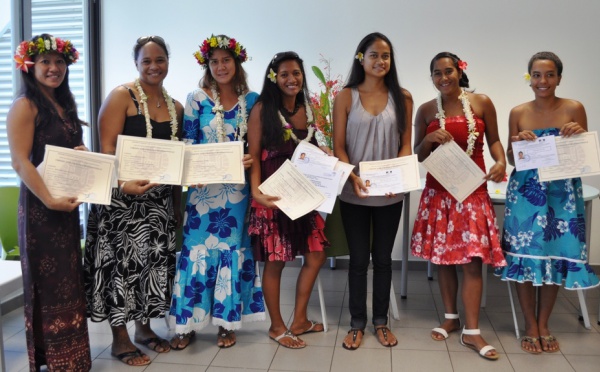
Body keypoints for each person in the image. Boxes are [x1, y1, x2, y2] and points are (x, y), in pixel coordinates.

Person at [83, 36, 183, 366]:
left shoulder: (176, 107)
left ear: (168, 61)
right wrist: (125, 184)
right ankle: (120, 339)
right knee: (120, 270)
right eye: (146, 61)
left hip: (157, 205)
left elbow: (177, 156)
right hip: (121, 201)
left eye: (160, 60)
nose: (154, 66)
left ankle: (144, 329)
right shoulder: (120, 97)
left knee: (152, 268)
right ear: (136, 64)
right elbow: (106, 149)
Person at [495, 51, 599, 354]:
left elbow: (583, 157)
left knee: (555, 254)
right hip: (526, 191)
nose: (543, 81)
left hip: (563, 192)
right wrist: (517, 144)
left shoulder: (574, 107)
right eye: (537, 75)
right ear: (529, 79)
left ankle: (544, 323)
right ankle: (530, 324)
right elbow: (513, 159)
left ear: (559, 78)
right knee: (525, 256)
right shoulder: (518, 111)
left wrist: (579, 135)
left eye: (550, 74)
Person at [169, 34, 265, 350]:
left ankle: (226, 322)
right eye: (214, 61)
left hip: (236, 195)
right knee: (196, 253)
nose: (221, 66)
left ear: (237, 63)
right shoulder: (196, 98)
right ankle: (187, 324)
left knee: (230, 253)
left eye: (226, 60)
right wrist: (192, 164)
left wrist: (251, 158)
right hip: (202, 193)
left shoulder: (252, 101)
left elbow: (256, 148)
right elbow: (187, 140)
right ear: (207, 66)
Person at [410, 52, 506, 360]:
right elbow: (418, 154)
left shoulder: (481, 103)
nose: (443, 78)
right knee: (444, 261)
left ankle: (472, 331)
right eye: (436, 74)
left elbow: (494, 141)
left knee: (471, 262)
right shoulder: (426, 110)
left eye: (448, 71)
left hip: (472, 193)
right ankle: (451, 317)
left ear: (459, 71)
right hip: (439, 194)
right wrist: (428, 140)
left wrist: (501, 161)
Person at [7, 33, 92, 371]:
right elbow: (20, 162)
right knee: (48, 287)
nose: (54, 68)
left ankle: (71, 358)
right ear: (30, 66)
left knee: (69, 283)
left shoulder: (65, 105)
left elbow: (66, 154)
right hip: (42, 211)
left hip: (66, 210)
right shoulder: (24, 106)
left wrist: (82, 156)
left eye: (59, 62)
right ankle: (53, 361)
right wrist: (50, 200)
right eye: (45, 62)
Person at [332, 32, 413, 350]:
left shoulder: (403, 97)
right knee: (357, 260)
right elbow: (339, 147)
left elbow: (405, 142)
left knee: (382, 258)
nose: (381, 61)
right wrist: (351, 175)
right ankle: (356, 324)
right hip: (354, 191)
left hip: (391, 192)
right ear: (360, 59)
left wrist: (404, 174)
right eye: (374, 55)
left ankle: (381, 322)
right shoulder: (346, 96)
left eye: (386, 56)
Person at [247, 51, 328, 349]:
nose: (291, 79)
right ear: (274, 78)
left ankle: (300, 321)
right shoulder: (262, 110)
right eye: (284, 74)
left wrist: (326, 158)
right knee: (276, 262)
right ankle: (277, 326)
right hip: (274, 195)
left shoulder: (309, 109)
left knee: (316, 255)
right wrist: (256, 192)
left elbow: (310, 149)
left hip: (304, 195)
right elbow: (254, 154)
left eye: (296, 73)